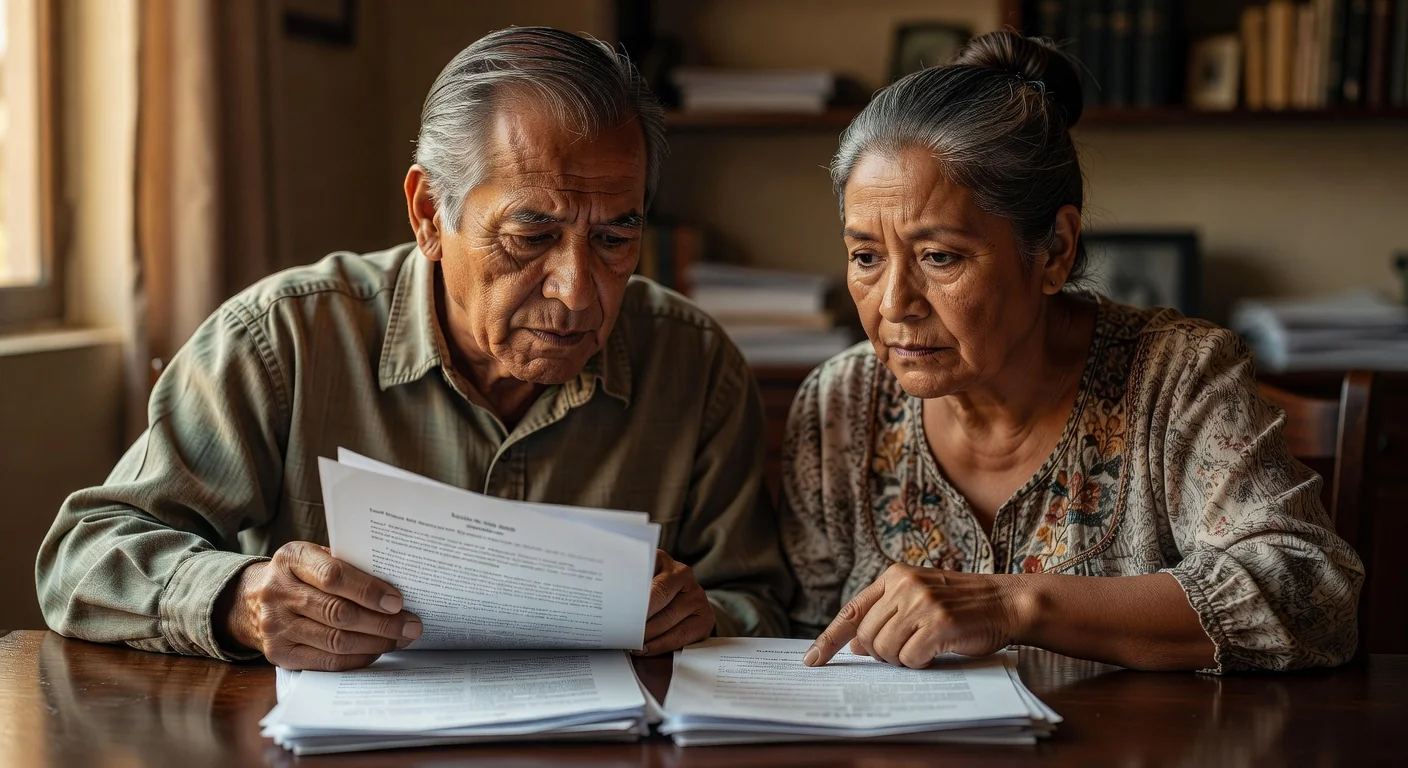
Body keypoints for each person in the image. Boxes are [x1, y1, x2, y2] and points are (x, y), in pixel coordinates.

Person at [37, 27, 791, 670]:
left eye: (616, 236)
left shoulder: (692, 364)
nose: (577, 291)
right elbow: (83, 557)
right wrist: (241, 600)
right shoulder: (283, 341)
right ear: (430, 213)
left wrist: (704, 618)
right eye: (532, 237)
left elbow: (757, 600)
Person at [782, 31, 1362, 673]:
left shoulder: (1178, 377)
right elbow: (797, 631)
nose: (893, 303)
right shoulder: (840, 403)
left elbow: (1312, 592)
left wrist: (1016, 604)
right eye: (866, 257)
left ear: (1054, 250)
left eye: (939, 257)